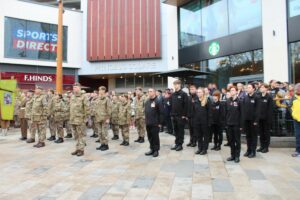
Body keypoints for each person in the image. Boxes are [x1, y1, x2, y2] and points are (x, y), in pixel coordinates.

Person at [69, 83, 90, 156]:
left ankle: (81, 150)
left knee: (81, 135)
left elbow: (87, 108)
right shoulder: (72, 96)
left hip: (80, 119)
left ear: (79, 88)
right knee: (76, 136)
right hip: (73, 119)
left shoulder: (84, 97)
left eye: (75, 87)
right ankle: (77, 149)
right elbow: (71, 108)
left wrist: (86, 119)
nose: (74, 88)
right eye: (73, 87)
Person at [144, 88, 164, 157]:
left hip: (155, 123)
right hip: (148, 123)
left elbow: (161, 113)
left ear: (154, 92)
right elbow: (146, 112)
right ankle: (152, 149)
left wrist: (160, 123)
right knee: (150, 137)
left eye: (151, 91)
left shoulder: (158, 101)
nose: (149, 92)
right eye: (148, 91)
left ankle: (156, 150)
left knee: (155, 137)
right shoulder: (147, 101)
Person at [225, 86, 242, 163]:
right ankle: (232, 155)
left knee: (237, 141)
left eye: (233, 90)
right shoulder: (228, 101)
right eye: (230, 90)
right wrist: (226, 123)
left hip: (237, 124)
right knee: (231, 141)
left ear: (236, 91)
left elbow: (242, 114)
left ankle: (237, 156)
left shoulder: (240, 101)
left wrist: (241, 125)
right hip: (229, 124)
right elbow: (226, 113)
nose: (232, 92)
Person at [170, 80, 188, 151]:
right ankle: (177, 143)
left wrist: (184, 115)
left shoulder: (183, 94)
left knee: (180, 131)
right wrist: (171, 114)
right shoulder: (173, 94)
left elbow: (186, 105)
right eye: (174, 84)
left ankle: (180, 145)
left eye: (176, 84)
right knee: (176, 131)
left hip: (181, 116)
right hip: (174, 116)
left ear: (180, 85)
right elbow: (171, 105)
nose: (175, 86)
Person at [242, 83, 259, 158]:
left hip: (253, 121)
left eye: (249, 87)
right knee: (248, 136)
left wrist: (256, 121)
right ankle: (248, 150)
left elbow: (258, 110)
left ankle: (253, 151)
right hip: (246, 120)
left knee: (253, 136)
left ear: (253, 89)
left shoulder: (257, 97)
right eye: (247, 88)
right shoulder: (245, 97)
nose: (248, 89)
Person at [193, 87, 211, 155]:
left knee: (205, 136)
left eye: (200, 92)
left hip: (205, 122)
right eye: (197, 92)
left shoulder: (207, 101)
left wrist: (209, 122)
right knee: (199, 136)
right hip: (197, 122)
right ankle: (199, 148)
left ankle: (204, 149)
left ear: (203, 93)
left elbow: (210, 113)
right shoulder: (196, 100)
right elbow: (194, 112)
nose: (198, 93)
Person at [256, 83, 273, 153]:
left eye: (263, 87)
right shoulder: (258, 96)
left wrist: (269, 119)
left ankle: (266, 147)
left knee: (266, 133)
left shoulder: (269, 97)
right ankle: (262, 146)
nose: (261, 88)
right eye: (260, 87)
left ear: (266, 88)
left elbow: (270, 109)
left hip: (266, 119)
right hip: (259, 119)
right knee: (261, 133)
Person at [95, 86, 111, 151]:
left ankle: (106, 145)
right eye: (99, 90)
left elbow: (109, 109)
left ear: (104, 91)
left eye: (101, 90)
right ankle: (102, 144)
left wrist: (108, 118)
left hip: (104, 118)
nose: (99, 91)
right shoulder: (98, 99)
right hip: (98, 118)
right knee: (100, 132)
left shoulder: (107, 99)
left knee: (104, 132)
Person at [290, 83, 300, 157]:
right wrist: (293, 114)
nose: (297, 90)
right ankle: (298, 150)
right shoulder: (293, 97)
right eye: (297, 89)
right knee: (298, 135)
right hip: (296, 120)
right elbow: (290, 107)